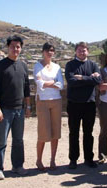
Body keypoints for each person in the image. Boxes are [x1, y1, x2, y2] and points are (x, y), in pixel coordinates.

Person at [0, 35, 31, 180]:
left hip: (20, 109)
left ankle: (17, 166)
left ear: (21, 48)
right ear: (8, 47)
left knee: (18, 140)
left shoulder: (23, 66)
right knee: (1, 141)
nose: (16, 49)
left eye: (18, 46)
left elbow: (27, 88)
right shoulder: (0, 65)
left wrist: (28, 106)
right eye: (13, 46)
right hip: (5, 109)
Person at [65, 42, 102, 169]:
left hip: (89, 104)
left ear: (88, 51)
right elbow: (71, 81)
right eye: (80, 50)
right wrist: (89, 79)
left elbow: (98, 80)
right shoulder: (70, 65)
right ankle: (73, 159)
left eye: (84, 50)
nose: (82, 52)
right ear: (76, 51)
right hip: (74, 103)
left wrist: (81, 78)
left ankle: (88, 159)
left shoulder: (93, 65)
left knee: (88, 132)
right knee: (73, 133)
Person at [33, 43, 64, 171]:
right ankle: (39, 160)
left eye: (52, 50)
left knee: (55, 133)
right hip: (43, 101)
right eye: (47, 50)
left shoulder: (57, 67)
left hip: (56, 101)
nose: (49, 52)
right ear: (43, 51)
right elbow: (39, 83)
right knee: (43, 133)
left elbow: (61, 85)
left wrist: (47, 84)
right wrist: (53, 83)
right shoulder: (37, 66)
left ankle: (52, 160)